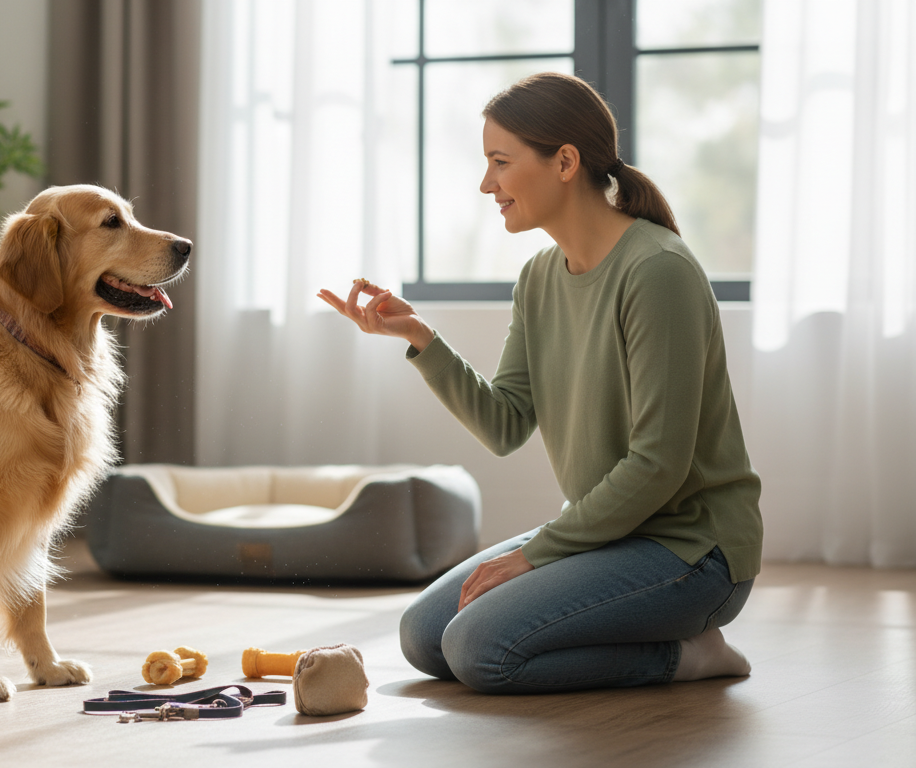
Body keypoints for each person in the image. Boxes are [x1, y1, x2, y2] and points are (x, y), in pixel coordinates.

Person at [317, 72, 762, 694]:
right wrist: (421, 339)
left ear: (565, 162)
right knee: (424, 634)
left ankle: (689, 655)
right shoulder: (539, 277)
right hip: (609, 533)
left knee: (479, 651)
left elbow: (659, 463)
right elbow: (505, 424)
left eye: (500, 162)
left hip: (692, 552)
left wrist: (535, 553)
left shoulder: (657, 272)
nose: (486, 184)